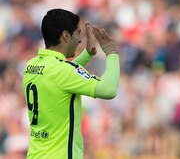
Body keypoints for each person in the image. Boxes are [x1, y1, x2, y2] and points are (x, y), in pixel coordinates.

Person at [22, 9, 120, 159]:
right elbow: (109, 90)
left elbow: (61, 76)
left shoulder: (31, 66)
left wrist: (86, 55)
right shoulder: (63, 72)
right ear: (66, 35)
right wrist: (112, 53)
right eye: (77, 34)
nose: (80, 40)